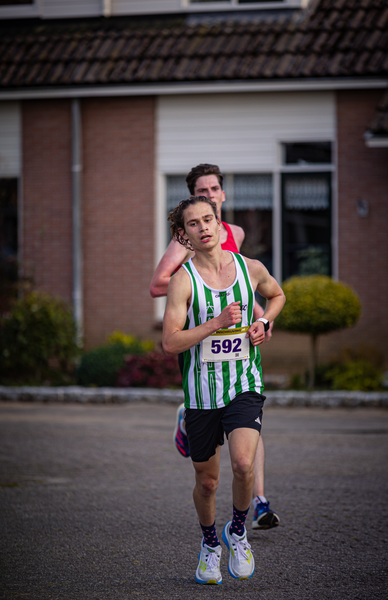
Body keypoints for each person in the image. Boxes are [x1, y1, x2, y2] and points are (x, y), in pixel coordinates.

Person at [162, 196, 285, 583]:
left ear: (219, 223)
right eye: (194, 224)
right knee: (208, 481)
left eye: (209, 219)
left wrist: (265, 324)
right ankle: (210, 543)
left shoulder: (251, 269)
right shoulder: (183, 281)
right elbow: (170, 342)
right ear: (184, 235)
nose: (204, 227)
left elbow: (277, 295)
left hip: (244, 384)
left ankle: (237, 529)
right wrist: (214, 324)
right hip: (200, 394)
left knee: (244, 464)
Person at [150, 163, 279, 531]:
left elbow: (241, 282)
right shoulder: (187, 244)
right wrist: (195, 291)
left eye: (214, 190)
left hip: (238, 349)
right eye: (201, 191)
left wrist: (259, 315)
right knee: (208, 478)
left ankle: (258, 502)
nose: (209, 196)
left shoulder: (234, 233)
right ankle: (186, 418)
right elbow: (159, 284)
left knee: (247, 440)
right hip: (201, 350)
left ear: (222, 196)